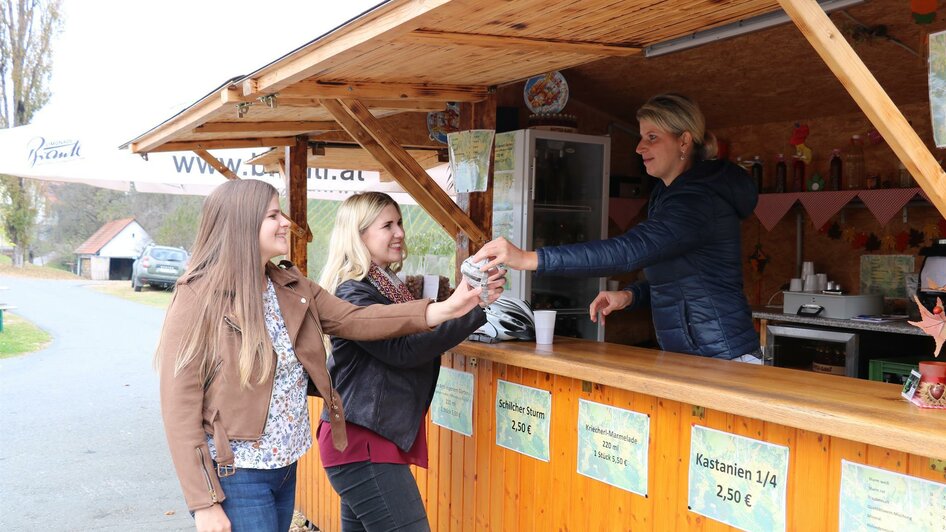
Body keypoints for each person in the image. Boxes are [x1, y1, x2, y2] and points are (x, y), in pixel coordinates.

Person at [155, 180, 490, 532]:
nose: (286, 222)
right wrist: (204, 502)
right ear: (243, 223)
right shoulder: (197, 296)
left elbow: (356, 319)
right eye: (273, 215)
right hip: (238, 473)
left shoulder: (289, 287)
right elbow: (179, 408)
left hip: (284, 468)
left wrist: (447, 309)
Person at [473, 93, 760, 362]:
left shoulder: (698, 201)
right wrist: (630, 295)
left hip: (723, 356)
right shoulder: (669, 195)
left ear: (684, 141)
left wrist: (529, 258)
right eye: (640, 137)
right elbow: (679, 277)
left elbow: (630, 250)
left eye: (652, 137)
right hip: (695, 354)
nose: (639, 147)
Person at [317, 192, 502, 531]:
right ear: (358, 235)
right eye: (387, 225)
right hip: (363, 442)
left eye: (399, 222)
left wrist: (471, 302)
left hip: (365, 439)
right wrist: (474, 308)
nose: (400, 232)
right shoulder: (353, 292)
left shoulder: (386, 284)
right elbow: (403, 350)